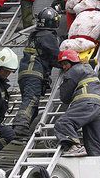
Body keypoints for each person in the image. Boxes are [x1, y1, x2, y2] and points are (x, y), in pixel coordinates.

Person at [54, 49, 100, 175]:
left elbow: (65, 97)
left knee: (63, 123)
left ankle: (75, 147)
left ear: (72, 62)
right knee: (95, 146)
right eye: (62, 65)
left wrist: (64, 82)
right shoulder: (88, 70)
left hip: (86, 103)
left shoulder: (73, 71)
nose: (64, 67)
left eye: (65, 63)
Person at [12, 8, 61, 139]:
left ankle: (22, 130)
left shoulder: (35, 35)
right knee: (31, 100)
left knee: (31, 102)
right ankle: (20, 126)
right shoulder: (47, 36)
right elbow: (55, 55)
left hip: (25, 72)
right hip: (34, 72)